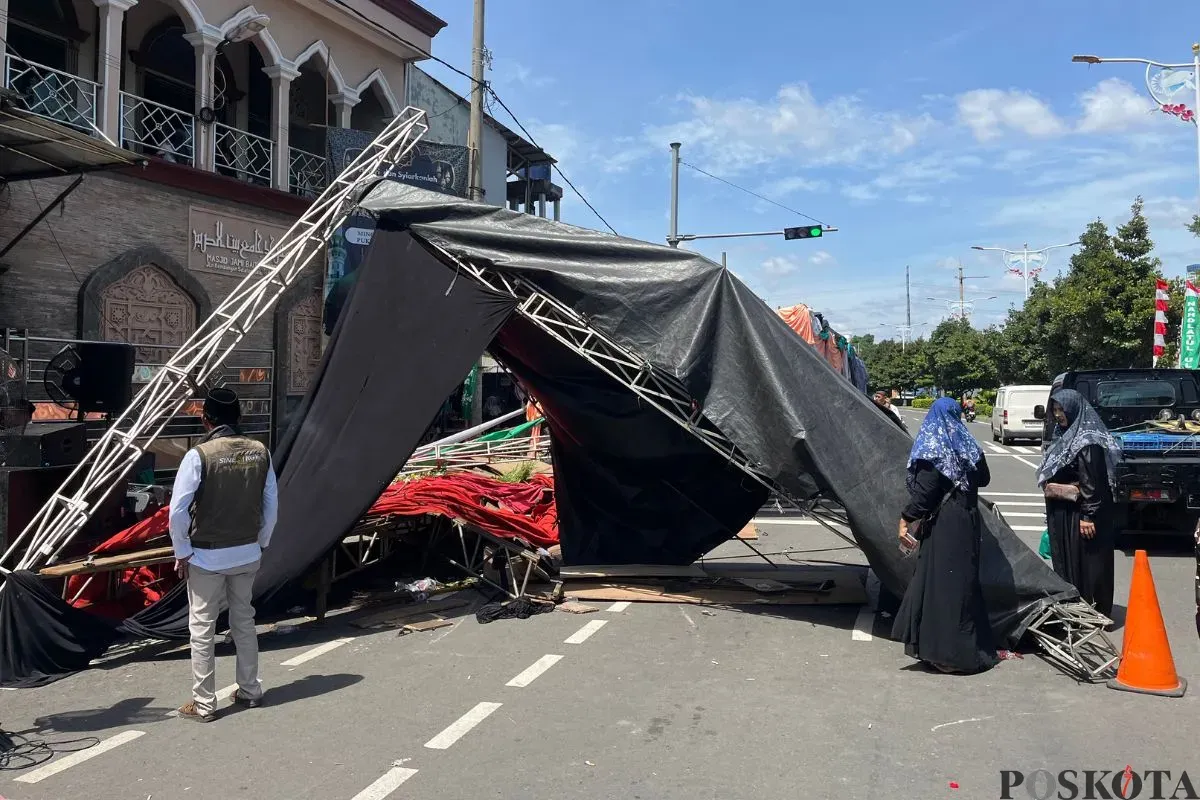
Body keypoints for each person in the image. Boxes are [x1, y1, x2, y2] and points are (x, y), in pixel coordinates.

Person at [169, 388, 279, 722]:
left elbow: (178, 511)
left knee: (202, 628)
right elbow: (271, 505)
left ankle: (204, 704)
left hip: (207, 556)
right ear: (239, 419)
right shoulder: (261, 452)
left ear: (206, 420)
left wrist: (182, 551)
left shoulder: (198, 455)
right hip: (247, 552)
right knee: (243, 620)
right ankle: (250, 690)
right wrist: (260, 542)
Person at [892, 397, 997, 674]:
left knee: (943, 587)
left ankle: (947, 654)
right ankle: (965, 649)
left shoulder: (934, 447)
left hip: (946, 524)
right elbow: (984, 478)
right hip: (968, 520)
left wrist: (906, 517)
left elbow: (926, 494)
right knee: (963, 584)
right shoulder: (969, 445)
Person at [1037, 389, 1120, 617]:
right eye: (1055, 410)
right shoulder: (1062, 434)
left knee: (1088, 563)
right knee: (1067, 559)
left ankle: (1092, 610)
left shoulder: (1087, 440)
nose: (1058, 414)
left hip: (1080, 512)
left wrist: (1087, 516)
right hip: (1062, 509)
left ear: (1074, 409)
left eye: (1061, 409)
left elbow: (1092, 482)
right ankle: (1073, 606)